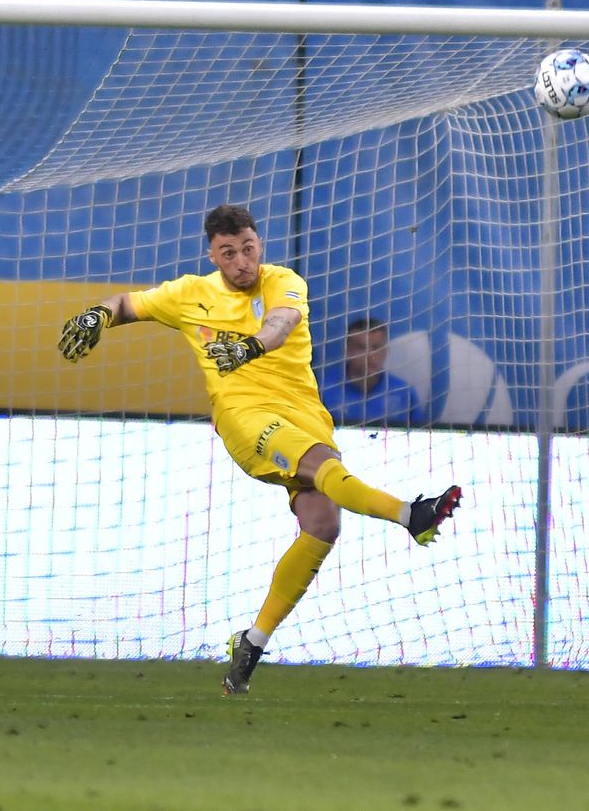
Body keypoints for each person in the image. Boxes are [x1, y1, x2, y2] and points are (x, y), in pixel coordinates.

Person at [58, 203, 462, 696]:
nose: (241, 262)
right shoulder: (189, 294)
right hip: (245, 417)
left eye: (248, 249)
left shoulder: (283, 280)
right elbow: (127, 303)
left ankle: (252, 643)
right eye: (228, 253)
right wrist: (98, 315)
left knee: (323, 524)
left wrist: (249, 346)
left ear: (259, 246)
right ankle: (411, 515)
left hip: (303, 412)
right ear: (213, 255)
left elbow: (281, 323)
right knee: (322, 465)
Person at [319, 316, 426, 426]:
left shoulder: (403, 392)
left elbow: (419, 433)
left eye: (376, 347)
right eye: (361, 348)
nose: (370, 355)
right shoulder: (323, 390)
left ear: (385, 351)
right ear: (347, 351)